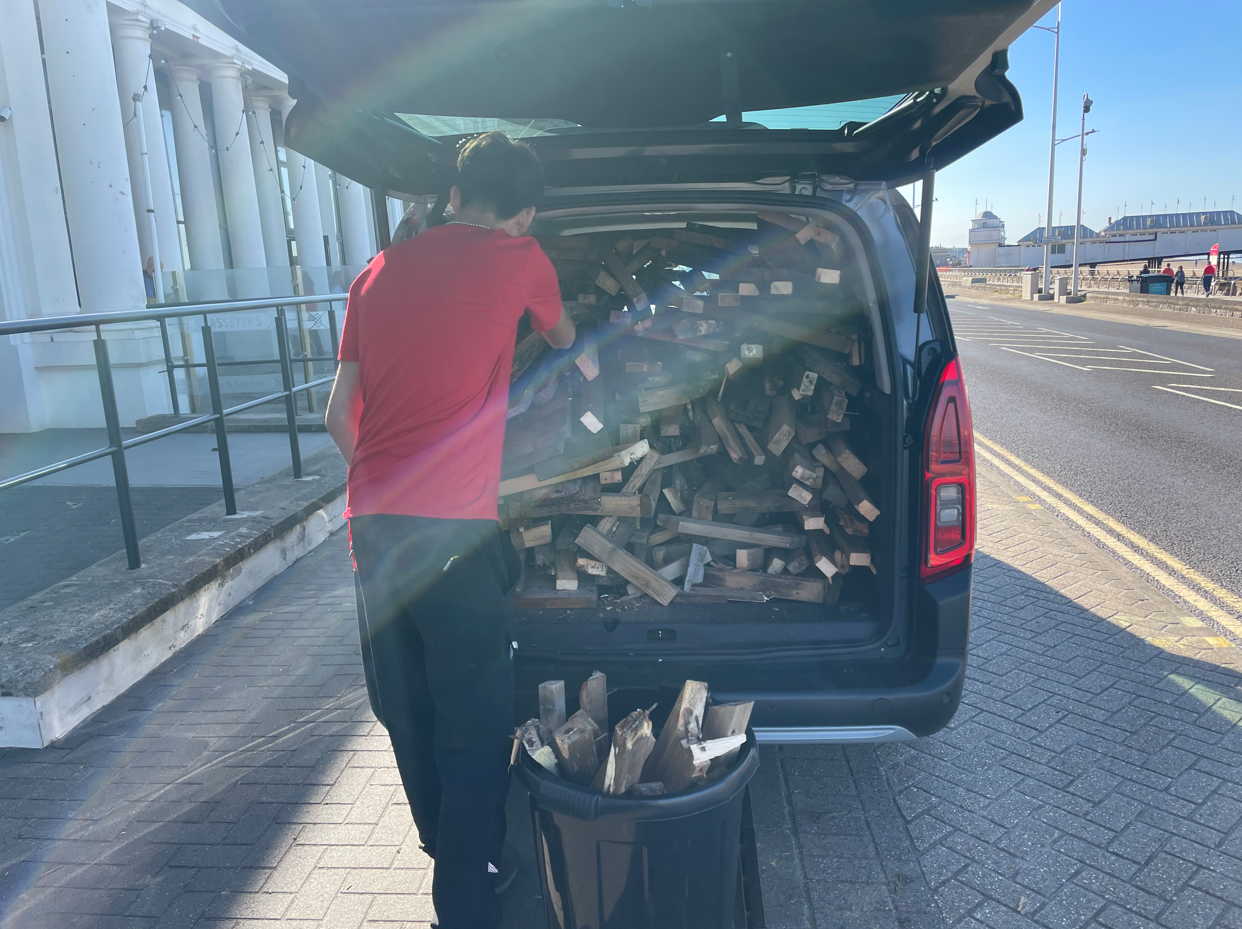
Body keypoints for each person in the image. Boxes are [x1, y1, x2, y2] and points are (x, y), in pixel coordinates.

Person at [325, 131, 575, 929]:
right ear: (524, 211)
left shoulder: (374, 273)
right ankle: (467, 894)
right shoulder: (522, 257)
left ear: (455, 194)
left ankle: (445, 847)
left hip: (375, 528)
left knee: (408, 704)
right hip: (455, 534)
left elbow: (336, 414)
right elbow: (565, 335)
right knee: (472, 713)